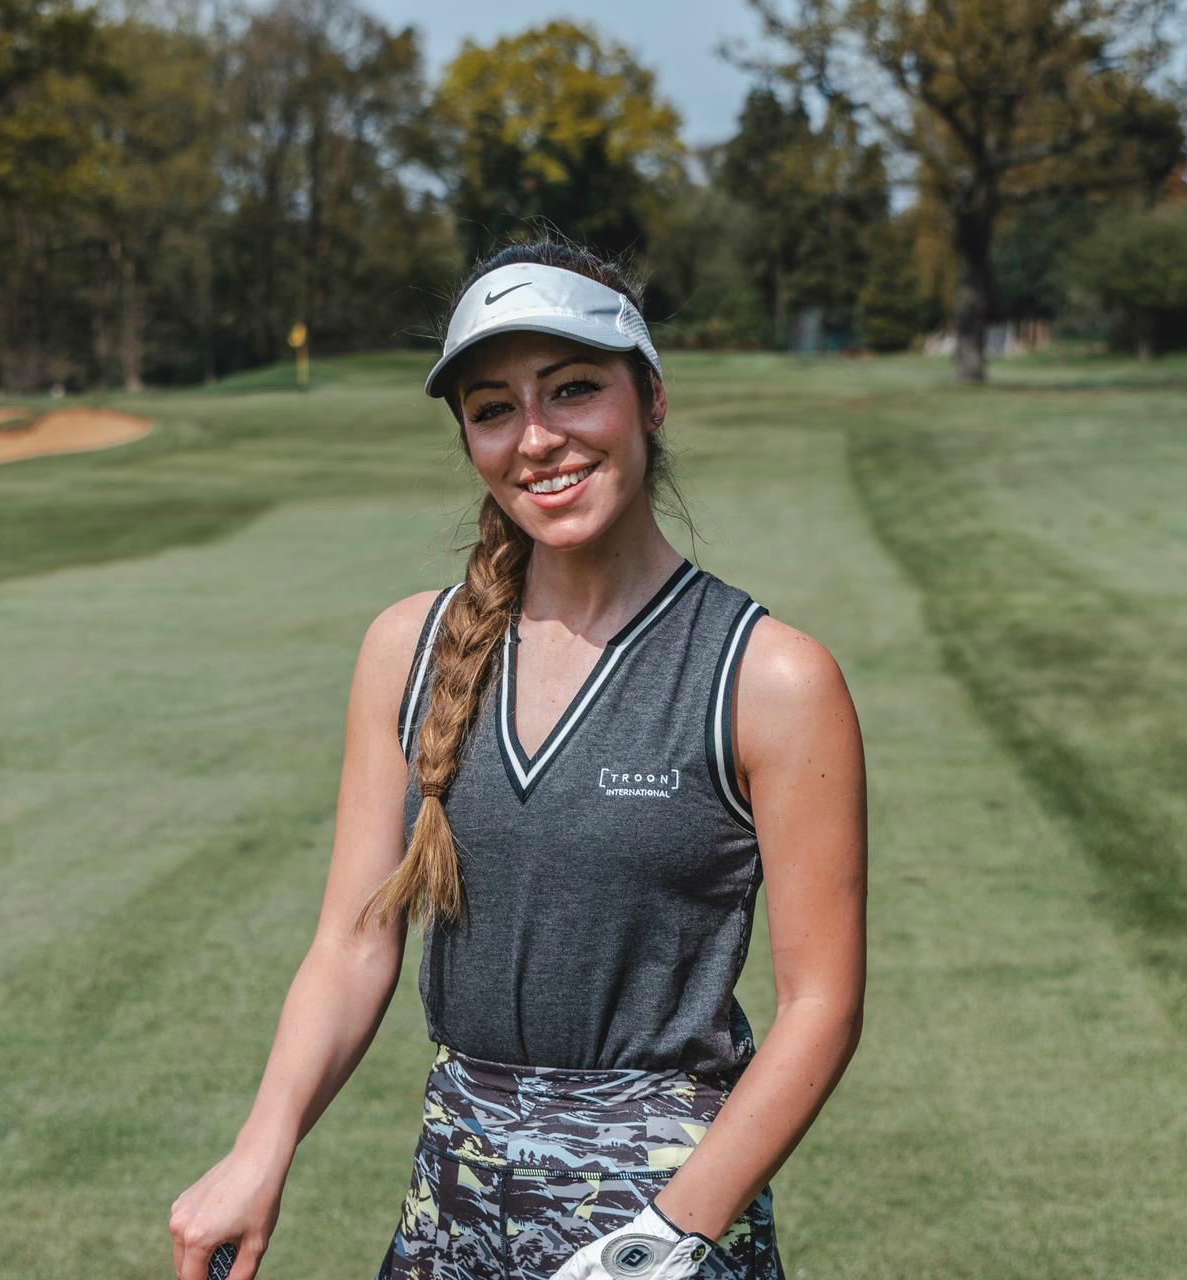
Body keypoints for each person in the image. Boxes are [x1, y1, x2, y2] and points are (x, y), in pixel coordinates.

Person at [168, 239, 868, 1280]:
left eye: (573, 388)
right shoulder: (409, 650)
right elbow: (354, 944)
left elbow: (821, 1005)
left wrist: (667, 1237)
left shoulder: (770, 677)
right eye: (494, 408)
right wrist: (260, 1147)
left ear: (651, 398)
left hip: (663, 1212)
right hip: (449, 1200)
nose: (536, 439)